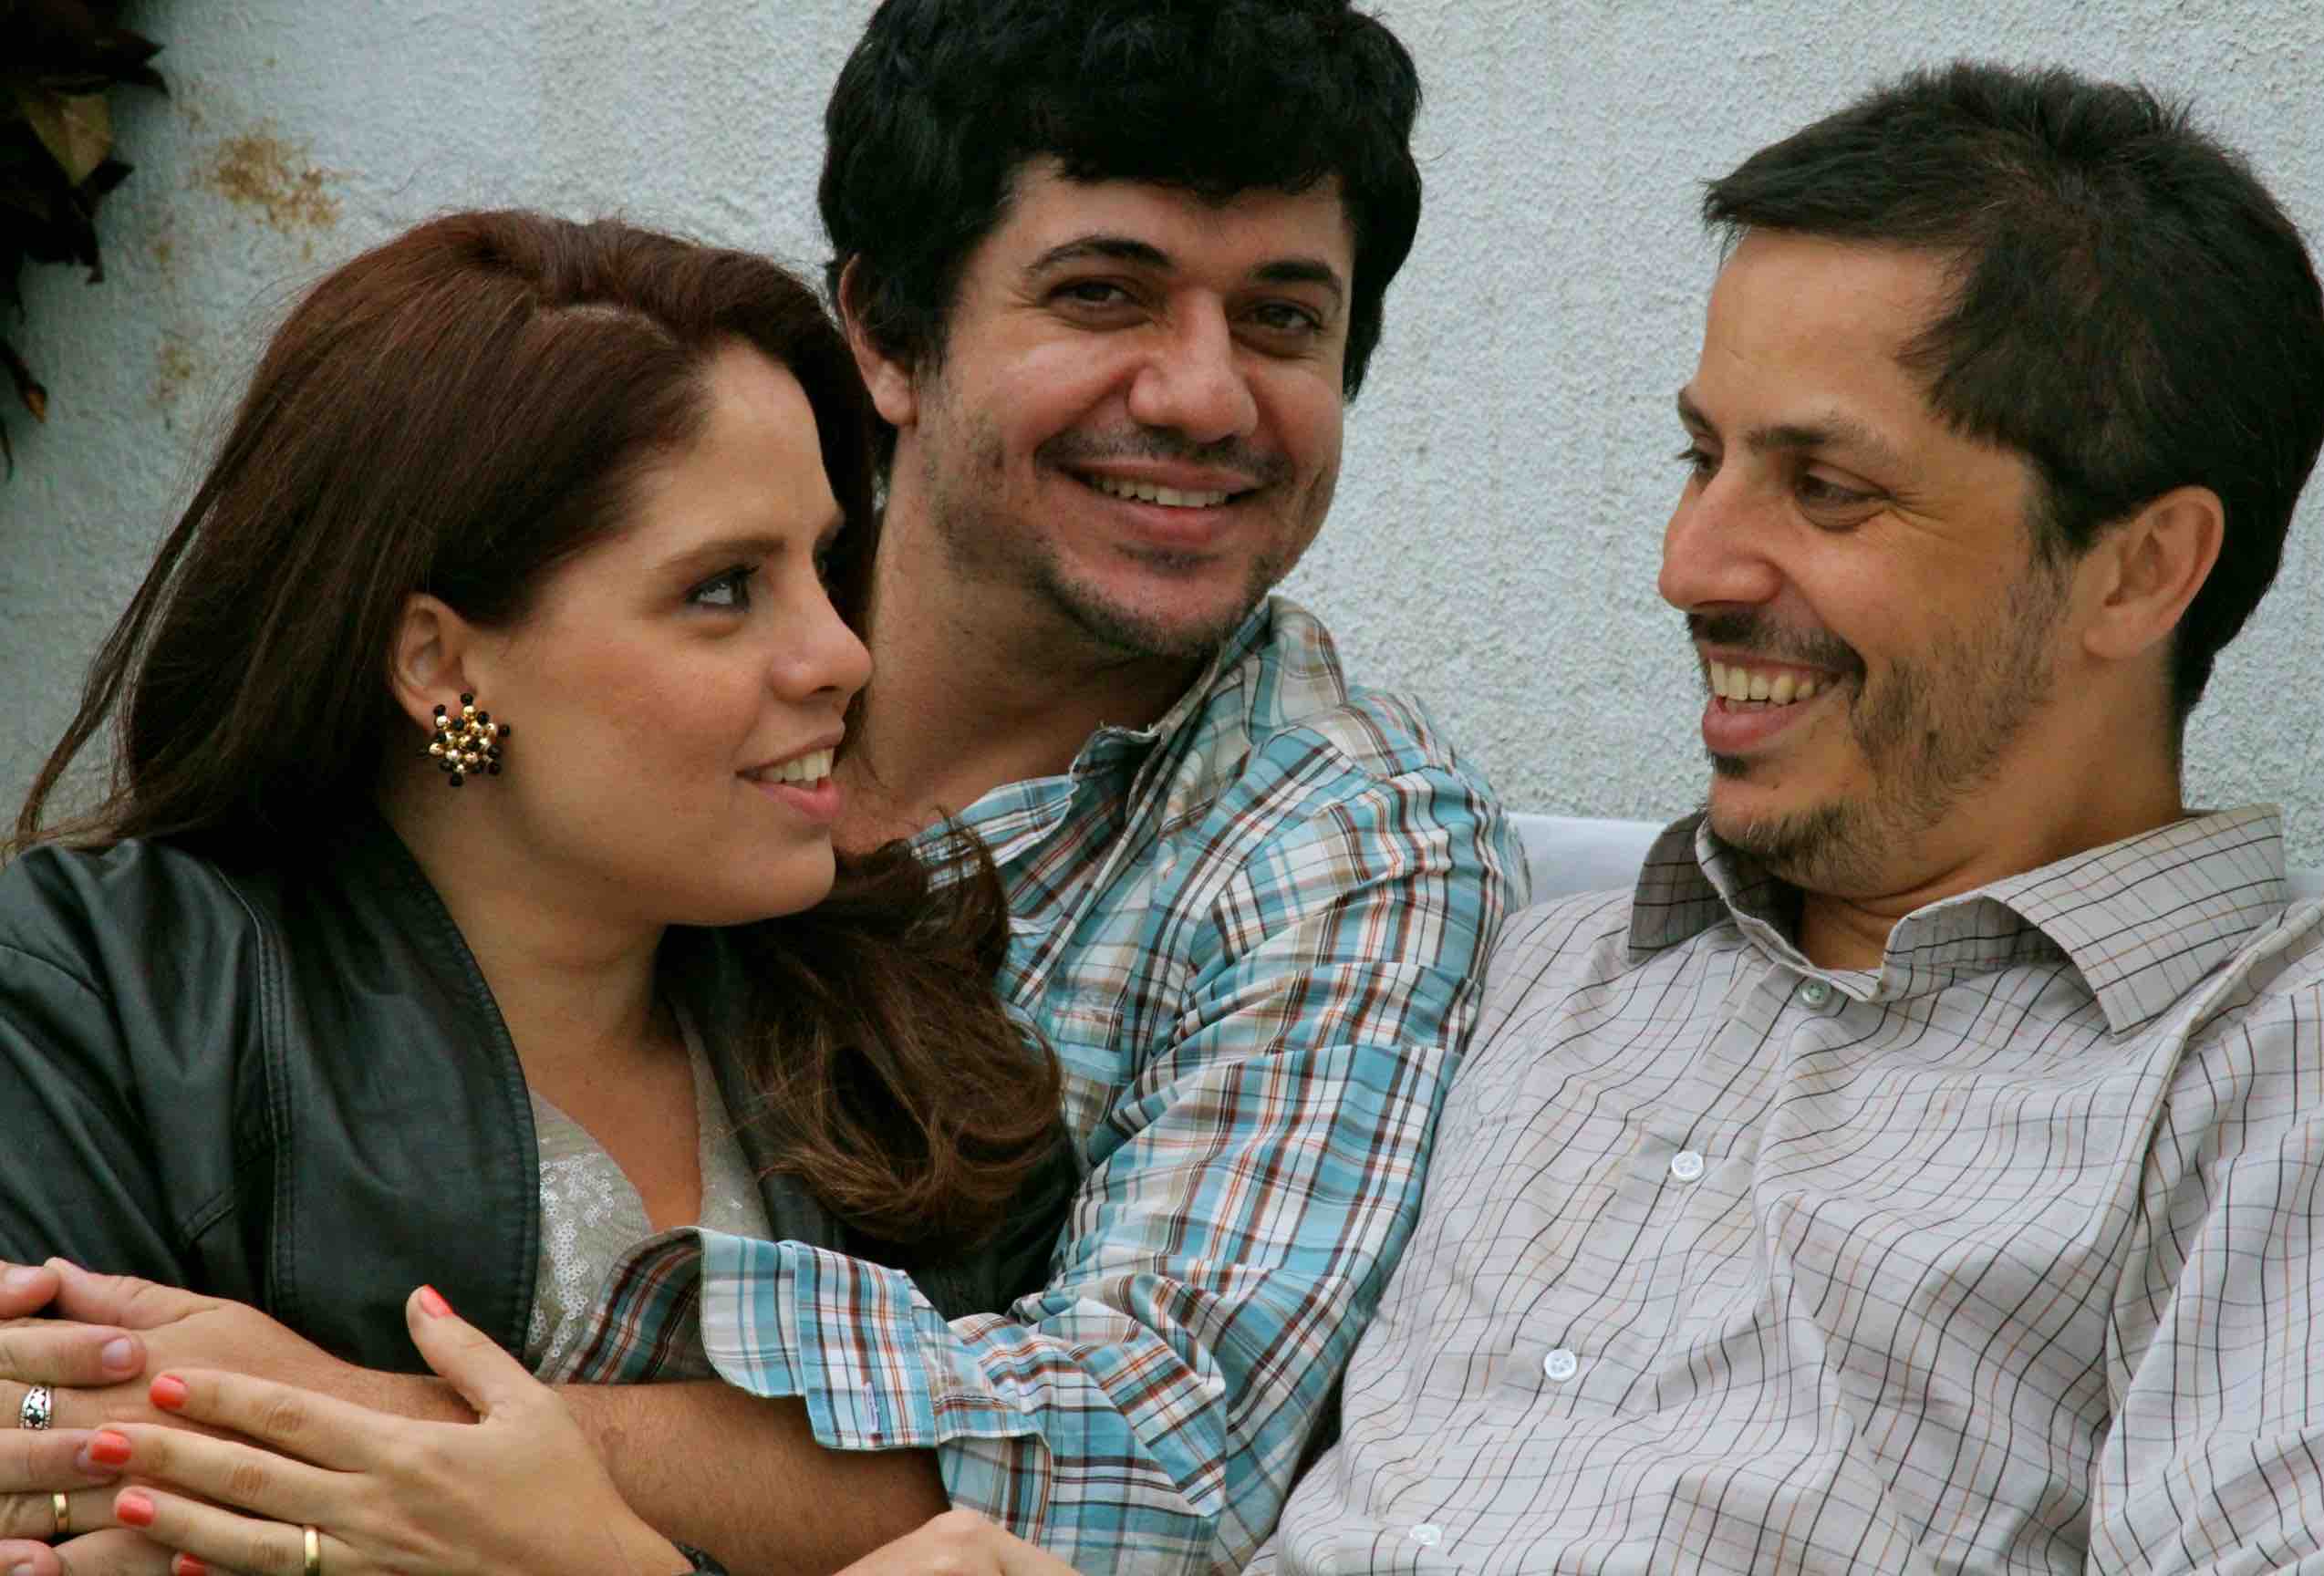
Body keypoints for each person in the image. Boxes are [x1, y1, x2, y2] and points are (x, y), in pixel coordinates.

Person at [0, 2, 1523, 1572]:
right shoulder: (125, 988)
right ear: (886, 335)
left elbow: (1145, 1457)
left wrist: (368, 1443)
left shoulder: (1076, 980)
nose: (1203, 396)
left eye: (1283, 320)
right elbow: (52, 1461)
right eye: (1102, 292)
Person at [1253, 60, 2324, 1571]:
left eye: (1828, 488)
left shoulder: (2282, 1055)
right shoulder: (1536, 969)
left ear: (2139, 569)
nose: (1688, 565)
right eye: (1701, 458)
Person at [0, 209, 1075, 1573]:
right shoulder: (106, 998)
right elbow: (51, 1468)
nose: (841, 655)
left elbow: (1058, 1491)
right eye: (724, 589)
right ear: (441, 667)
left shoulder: (912, 1054)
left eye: (822, 565)